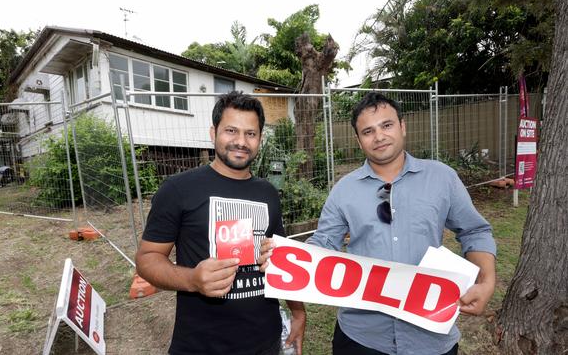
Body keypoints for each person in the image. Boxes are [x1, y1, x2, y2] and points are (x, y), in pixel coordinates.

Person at [259, 92, 496, 355]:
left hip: (429, 335)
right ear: (359, 140)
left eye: (387, 125)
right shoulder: (344, 190)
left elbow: (475, 231)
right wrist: (284, 256)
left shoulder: (442, 178)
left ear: (402, 126)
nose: (379, 136)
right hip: (361, 337)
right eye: (368, 131)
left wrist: (487, 281)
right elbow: (323, 243)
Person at [135, 91, 306, 355]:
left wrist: (297, 312)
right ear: (213, 133)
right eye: (231, 131)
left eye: (250, 133)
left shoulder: (268, 193)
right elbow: (147, 259)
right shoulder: (178, 189)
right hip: (201, 346)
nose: (241, 141)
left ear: (260, 139)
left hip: (266, 342)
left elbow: (280, 259)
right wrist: (192, 279)